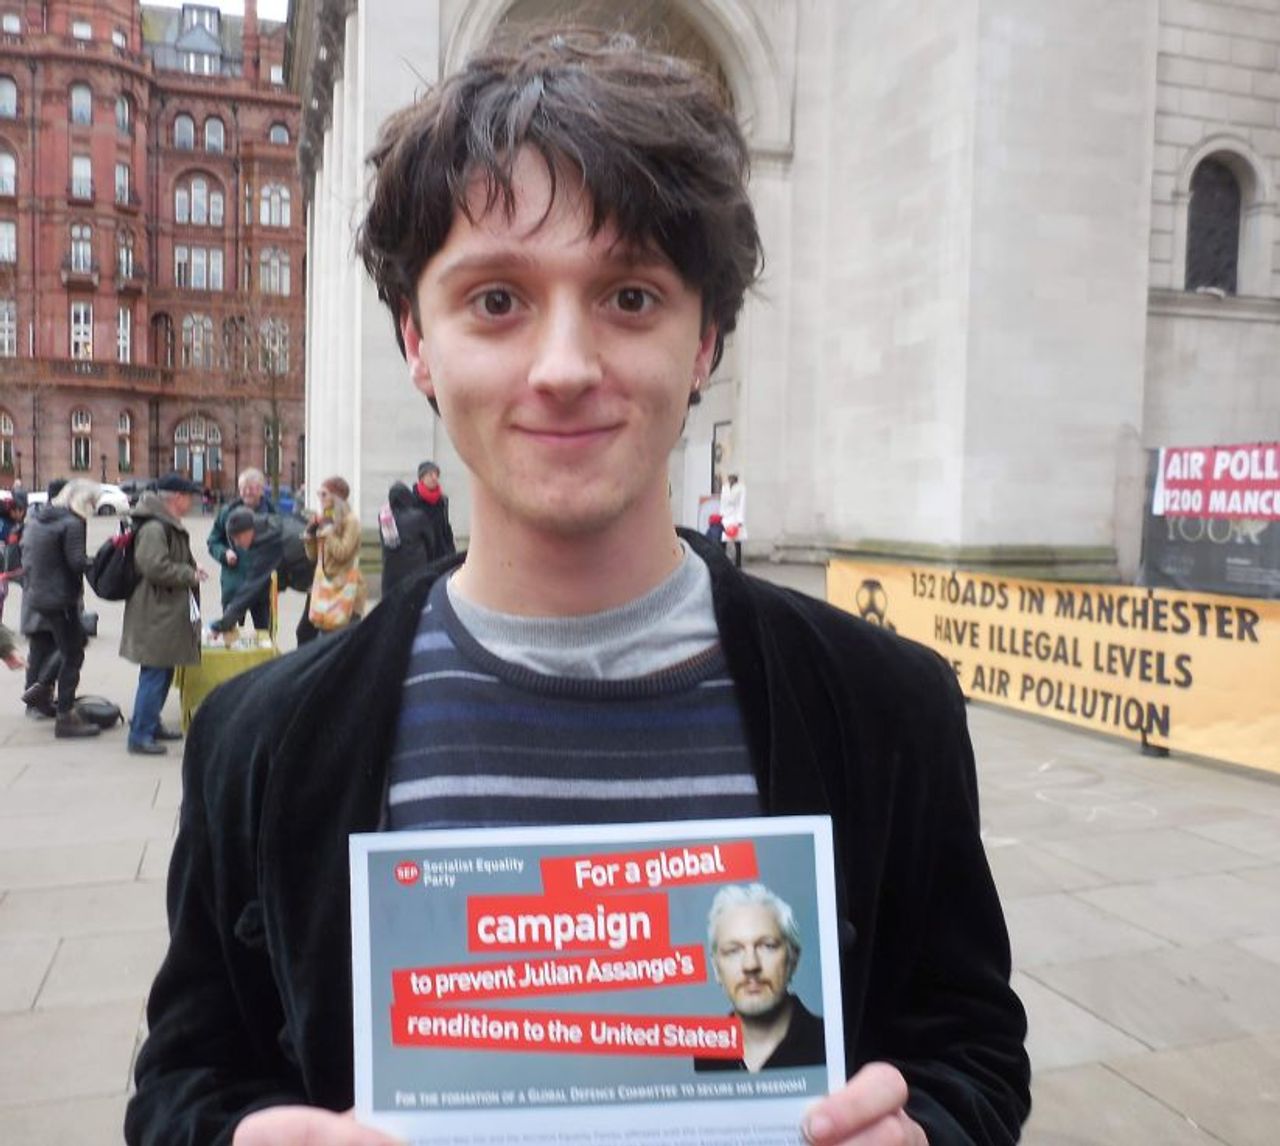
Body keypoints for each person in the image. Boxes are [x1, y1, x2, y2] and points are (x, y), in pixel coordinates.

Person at [127, 31, 1028, 1146]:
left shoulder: (889, 710)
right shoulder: (260, 743)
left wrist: (927, 1130)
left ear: (705, 340)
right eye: (497, 299)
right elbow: (188, 1077)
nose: (563, 367)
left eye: (630, 296)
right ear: (417, 341)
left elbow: (970, 1048)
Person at [694, 884, 825, 1073]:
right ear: (716, 968)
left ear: (793, 959)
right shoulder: (707, 1052)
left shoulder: (827, 1041)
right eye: (733, 950)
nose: (751, 965)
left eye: (767, 946)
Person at [121, 473, 207, 756]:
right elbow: (154, 566)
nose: (192, 503)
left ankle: (150, 724)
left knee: (162, 670)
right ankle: (140, 735)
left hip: (164, 611)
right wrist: (189, 574)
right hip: (156, 612)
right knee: (155, 673)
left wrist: (190, 570)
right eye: (189, 497)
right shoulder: (155, 528)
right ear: (177, 498)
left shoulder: (163, 524)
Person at [19, 478, 100, 738]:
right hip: (61, 598)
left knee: (72, 644)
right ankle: (65, 717)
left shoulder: (38, 519)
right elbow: (77, 562)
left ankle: (40, 689)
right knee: (73, 654)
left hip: (38, 596)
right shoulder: (72, 523)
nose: (94, 507)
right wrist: (102, 560)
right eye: (92, 501)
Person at [207, 467, 274, 632]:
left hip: (262, 588)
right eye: (243, 488)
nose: (247, 492)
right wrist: (224, 553)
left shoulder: (273, 514)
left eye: (252, 488)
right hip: (233, 587)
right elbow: (213, 541)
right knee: (229, 634)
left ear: (262, 489)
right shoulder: (227, 512)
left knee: (265, 635)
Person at [378, 460, 456, 595]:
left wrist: (450, 547)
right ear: (421, 478)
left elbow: (445, 525)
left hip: (441, 548)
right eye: (430, 474)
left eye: (436, 474)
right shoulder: (413, 499)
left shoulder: (443, 500)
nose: (434, 478)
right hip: (423, 550)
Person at [302, 475, 366, 638]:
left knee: (343, 642)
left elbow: (343, 553)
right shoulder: (326, 518)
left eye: (324, 494)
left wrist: (328, 533)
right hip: (326, 589)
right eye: (319, 494)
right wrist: (310, 536)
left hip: (346, 591)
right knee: (318, 636)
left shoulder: (351, 521)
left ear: (337, 497)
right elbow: (314, 557)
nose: (320, 498)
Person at [0, 489, 27, 622]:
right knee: (1, 592)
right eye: (21, 511)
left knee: (2, 593)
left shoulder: (11, 523)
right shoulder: (7, 524)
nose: (23, 514)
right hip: (4, 563)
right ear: (14, 510)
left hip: (5, 565)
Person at [720, 473, 746, 568]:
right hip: (726, 516)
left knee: (737, 541)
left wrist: (740, 519)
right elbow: (722, 502)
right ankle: (723, 562)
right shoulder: (724, 488)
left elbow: (742, 503)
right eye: (729, 478)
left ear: (736, 480)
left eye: (732, 478)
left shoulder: (741, 488)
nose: (730, 480)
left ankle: (738, 563)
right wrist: (721, 515)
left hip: (735, 515)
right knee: (724, 540)